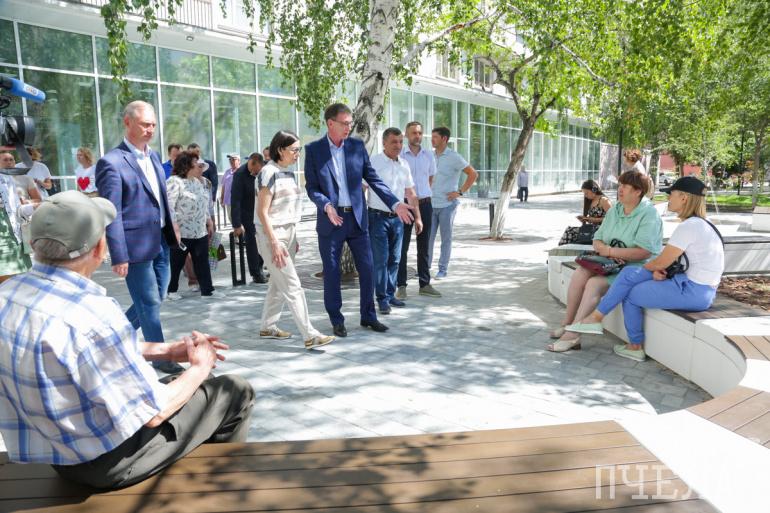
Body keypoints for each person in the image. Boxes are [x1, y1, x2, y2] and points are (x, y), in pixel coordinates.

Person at [0, 190, 254, 489]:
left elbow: (82, 350)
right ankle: (217, 488)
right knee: (234, 390)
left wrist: (166, 351)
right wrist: (201, 366)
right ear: (100, 247)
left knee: (190, 387)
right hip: (106, 462)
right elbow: (154, 412)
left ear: (33, 244)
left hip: (59, 452)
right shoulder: (90, 312)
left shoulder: (10, 294)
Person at [565, 176, 724, 362]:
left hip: (693, 291)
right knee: (629, 276)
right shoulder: (701, 224)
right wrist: (657, 270)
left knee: (630, 290)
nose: (668, 199)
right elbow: (672, 262)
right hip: (695, 288)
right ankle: (600, 322)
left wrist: (654, 269)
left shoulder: (689, 226)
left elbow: (659, 262)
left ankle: (628, 341)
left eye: (671, 194)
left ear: (684, 198)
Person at [304, 103, 414, 338]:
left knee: (368, 268)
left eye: (350, 123)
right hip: (331, 220)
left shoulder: (356, 146)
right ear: (330, 123)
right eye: (344, 123)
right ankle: (337, 319)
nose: (349, 127)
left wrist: (395, 203)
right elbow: (312, 187)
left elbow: (373, 178)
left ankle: (368, 316)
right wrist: (326, 205)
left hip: (357, 219)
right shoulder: (314, 150)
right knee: (332, 272)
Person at [95, 100, 183, 374]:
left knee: (158, 295)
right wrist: (118, 254)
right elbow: (112, 212)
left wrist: (172, 225)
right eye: (145, 124)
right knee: (149, 302)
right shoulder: (111, 162)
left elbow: (160, 197)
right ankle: (160, 357)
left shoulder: (154, 157)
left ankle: (113, 339)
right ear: (127, 122)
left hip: (161, 240)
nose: (150, 130)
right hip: (134, 246)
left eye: (153, 125)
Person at [547, 170, 662, 352]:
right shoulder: (616, 209)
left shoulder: (649, 214)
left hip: (634, 267)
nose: (620, 189)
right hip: (610, 262)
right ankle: (568, 323)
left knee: (594, 284)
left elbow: (644, 251)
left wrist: (610, 250)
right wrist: (604, 249)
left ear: (638, 191)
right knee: (580, 272)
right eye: (620, 185)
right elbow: (598, 237)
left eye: (625, 186)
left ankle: (573, 335)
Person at [256, 131, 335, 349]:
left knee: (277, 284)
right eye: (294, 150)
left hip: (288, 234)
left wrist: (293, 237)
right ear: (280, 149)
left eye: (299, 149)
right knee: (293, 286)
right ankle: (310, 335)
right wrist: (274, 242)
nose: (297, 154)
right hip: (272, 235)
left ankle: (267, 327)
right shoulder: (268, 173)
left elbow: (287, 209)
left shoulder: (288, 174)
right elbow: (262, 212)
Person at [369, 127, 422, 314]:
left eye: (400, 142)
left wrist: (418, 217)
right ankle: (381, 299)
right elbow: (362, 189)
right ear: (384, 143)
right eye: (394, 142)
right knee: (381, 260)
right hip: (377, 218)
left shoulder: (404, 164)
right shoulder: (373, 162)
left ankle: (390, 295)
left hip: (398, 219)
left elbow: (411, 193)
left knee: (395, 259)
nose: (398, 145)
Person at [166, 151, 223, 299]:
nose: (199, 166)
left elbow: (203, 204)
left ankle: (208, 290)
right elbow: (169, 207)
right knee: (177, 263)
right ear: (186, 165)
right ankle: (171, 290)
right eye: (196, 163)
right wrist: (174, 227)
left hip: (199, 231)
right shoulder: (174, 181)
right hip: (182, 232)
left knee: (202, 261)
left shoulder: (198, 182)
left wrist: (209, 221)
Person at [397, 121, 441, 300]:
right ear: (406, 135)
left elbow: (430, 179)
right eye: (414, 133)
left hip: (425, 204)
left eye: (420, 133)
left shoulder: (429, 155)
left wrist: (422, 195)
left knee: (424, 246)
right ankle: (401, 286)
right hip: (405, 205)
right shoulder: (400, 155)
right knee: (402, 246)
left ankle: (425, 284)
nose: (417, 136)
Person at [428, 126, 478, 279]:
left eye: (435, 137)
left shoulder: (454, 157)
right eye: (432, 136)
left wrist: (460, 192)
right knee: (427, 239)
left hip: (447, 205)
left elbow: (473, 174)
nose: (432, 139)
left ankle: (442, 269)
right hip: (430, 204)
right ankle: (425, 267)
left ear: (444, 139)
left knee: (446, 239)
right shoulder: (430, 155)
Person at [231, 152, 268, 284]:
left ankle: (261, 266)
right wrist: (236, 224)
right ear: (251, 163)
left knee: (263, 242)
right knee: (252, 244)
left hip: (261, 213)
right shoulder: (239, 175)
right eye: (255, 170)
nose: (256, 173)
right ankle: (256, 273)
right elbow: (235, 200)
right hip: (248, 215)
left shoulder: (263, 170)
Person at [0, 159, 33, 281]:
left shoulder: (6, 178)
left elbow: (17, 208)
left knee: (20, 278)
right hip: (3, 241)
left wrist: (34, 207)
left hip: (13, 235)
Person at [559, 180, 612, 245]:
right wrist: (585, 219)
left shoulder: (604, 200)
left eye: (586, 193)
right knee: (569, 230)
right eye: (584, 193)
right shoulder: (590, 201)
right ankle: (561, 249)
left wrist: (594, 219)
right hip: (592, 228)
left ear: (594, 190)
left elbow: (612, 218)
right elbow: (591, 218)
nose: (585, 195)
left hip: (602, 229)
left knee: (571, 232)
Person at [220, 153, 239, 224]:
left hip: (238, 201)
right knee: (231, 218)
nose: (231, 161)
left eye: (233, 159)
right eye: (230, 160)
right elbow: (223, 186)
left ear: (239, 161)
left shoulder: (242, 171)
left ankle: (241, 231)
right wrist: (222, 198)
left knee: (239, 220)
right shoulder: (227, 172)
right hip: (228, 201)